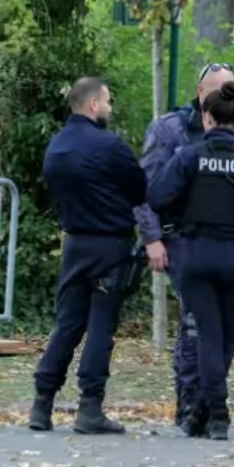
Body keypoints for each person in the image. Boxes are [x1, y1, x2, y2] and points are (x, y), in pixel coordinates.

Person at [133, 62, 234, 429]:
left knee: (221, 332)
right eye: (221, 89)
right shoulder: (170, 129)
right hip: (184, 240)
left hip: (232, 245)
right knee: (196, 326)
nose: (228, 95)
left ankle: (204, 407)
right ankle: (191, 406)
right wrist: (152, 238)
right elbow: (147, 188)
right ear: (201, 92)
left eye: (231, 89)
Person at [29, 77, 147, 435]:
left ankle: (42, 403)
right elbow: (139, 189)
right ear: (94, 104)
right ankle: (90, 408)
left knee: (68, 324)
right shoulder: (110, 145)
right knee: (100, 326)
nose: (110, 107)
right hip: (110, 245)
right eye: (108, 101)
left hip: (75, 244)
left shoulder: (57, 147)